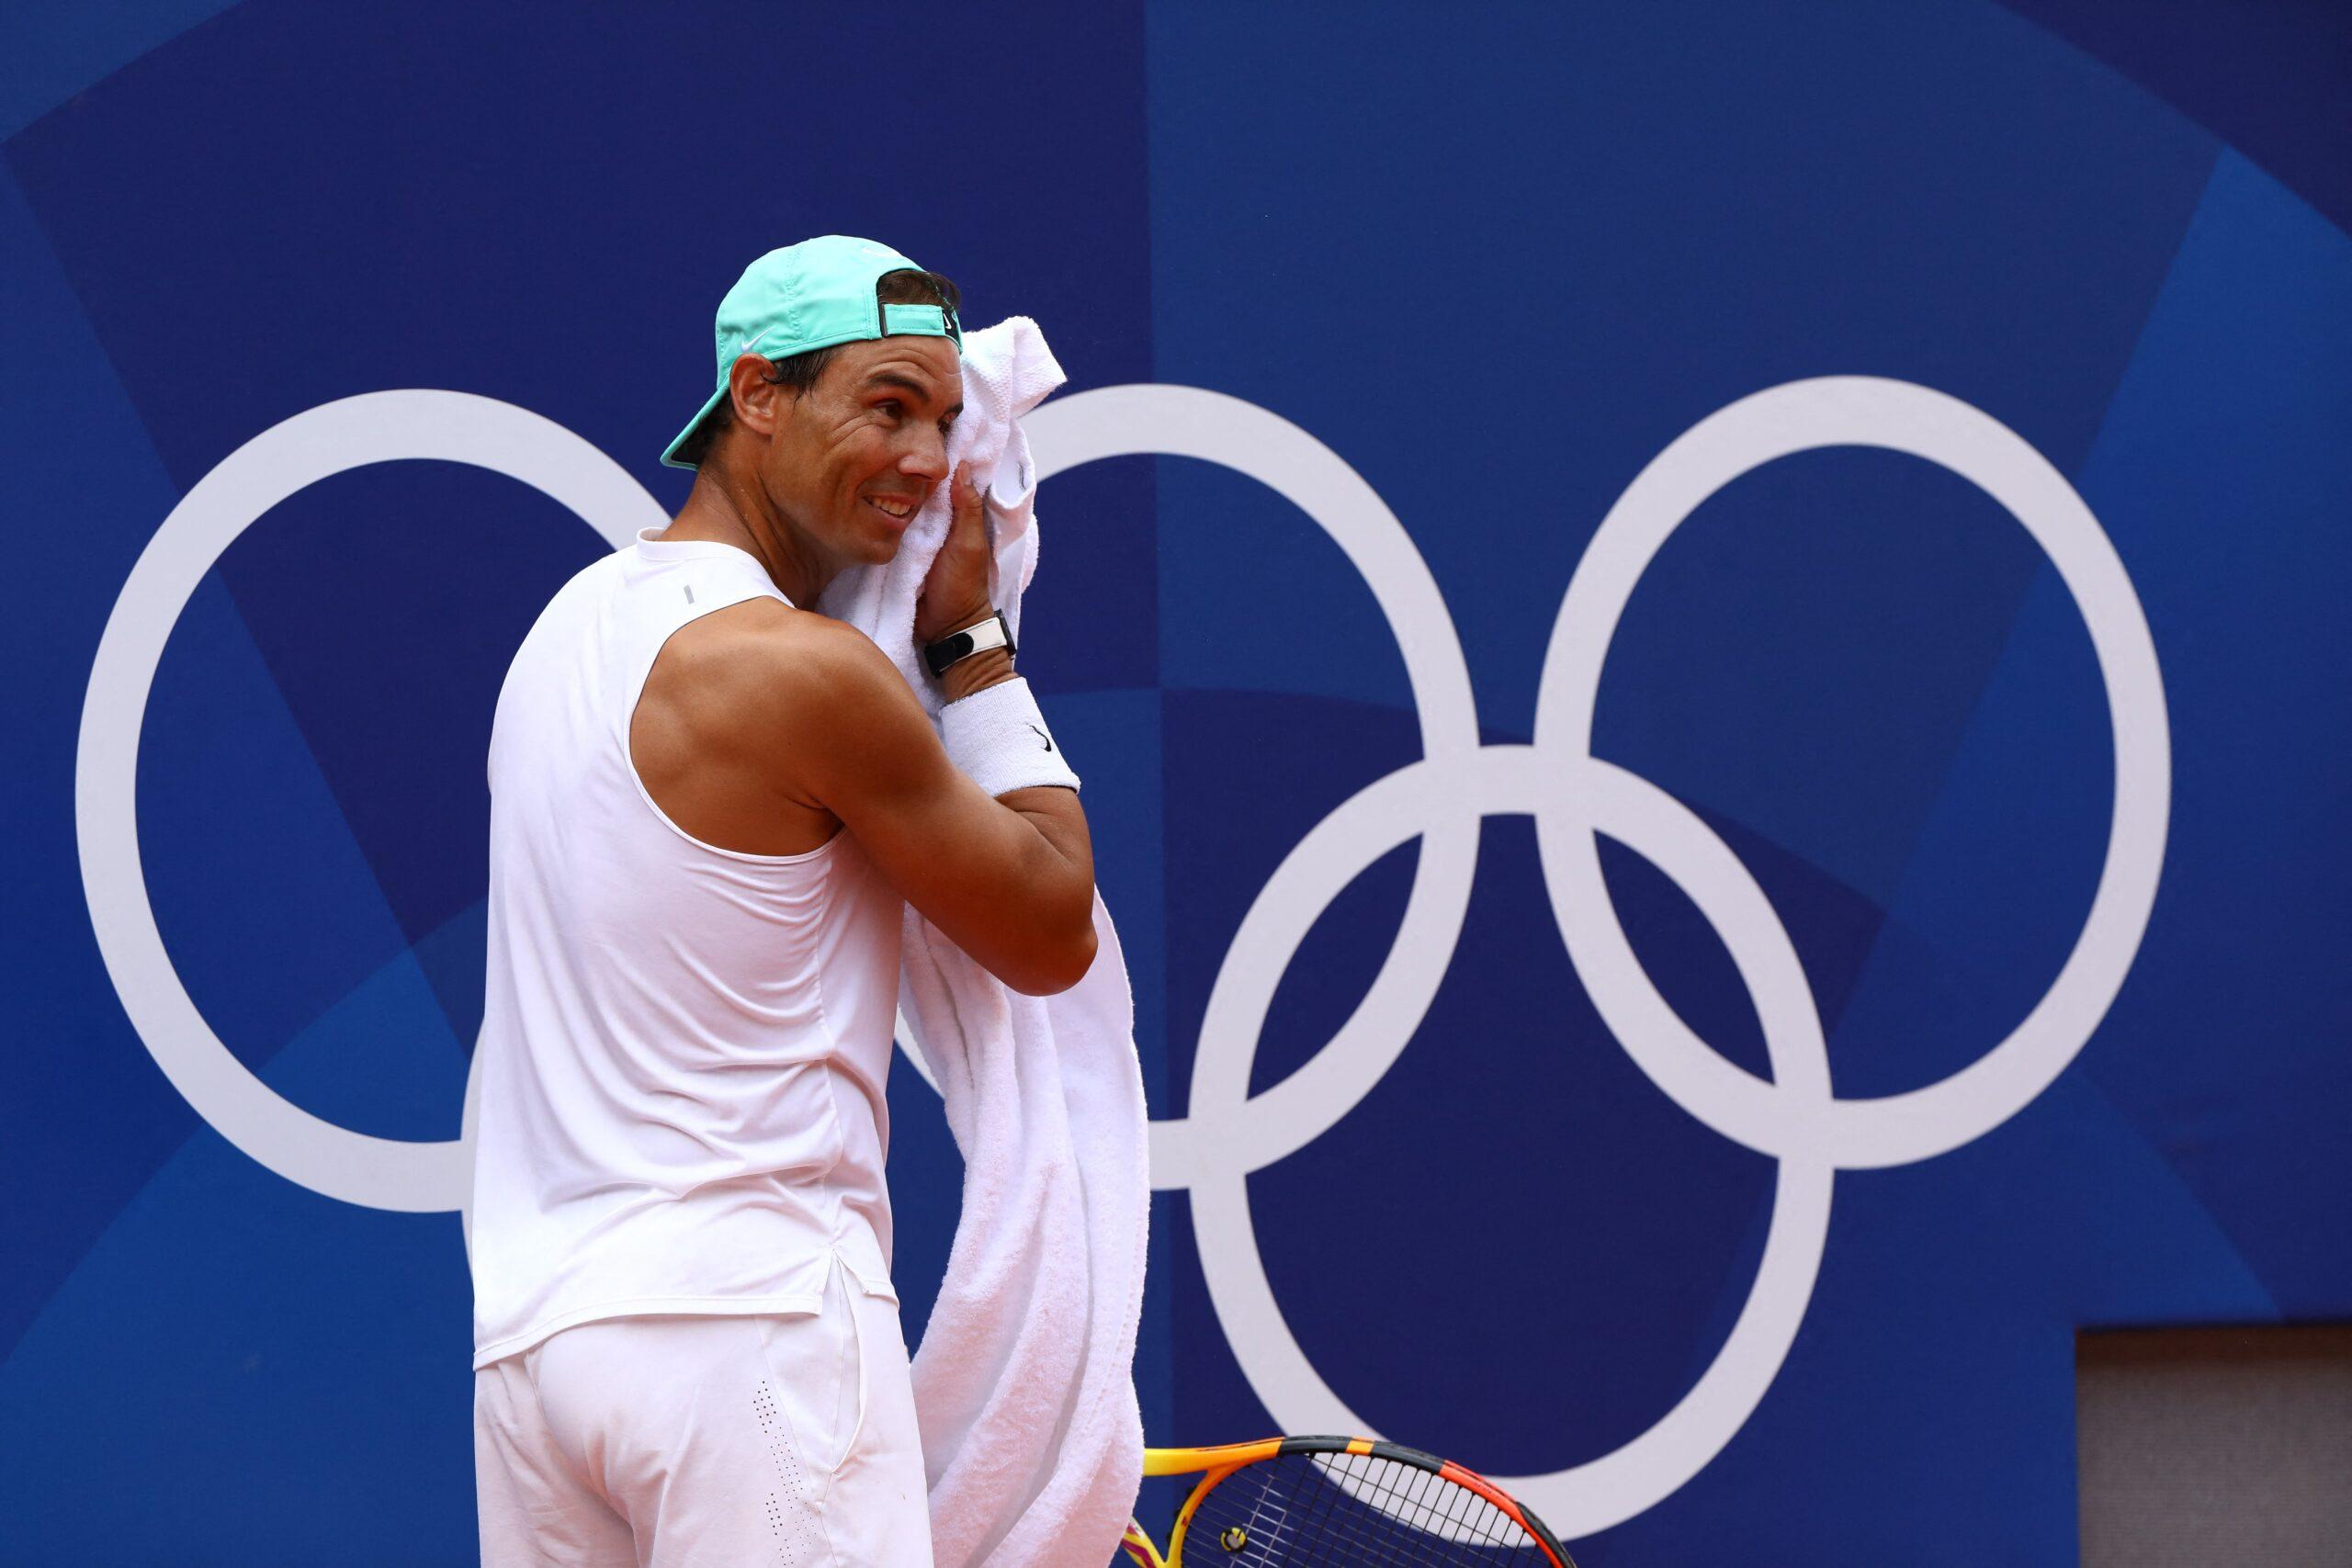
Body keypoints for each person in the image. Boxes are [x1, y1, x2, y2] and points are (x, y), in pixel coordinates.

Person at [468, 235, 1097, 1567]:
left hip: (540, 1361)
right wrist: (971, 647)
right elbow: (1050, 929)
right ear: (757, 398)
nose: (928, 462)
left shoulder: (560, 636)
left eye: (942, 417)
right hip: (751, 1337)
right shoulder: (801, 672)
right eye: (885, 405)